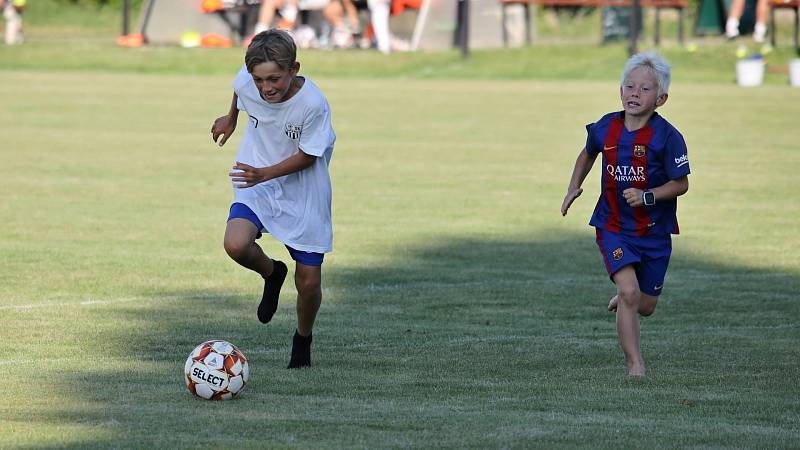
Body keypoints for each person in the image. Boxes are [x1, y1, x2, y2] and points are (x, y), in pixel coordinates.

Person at [211, 29, 336, 369]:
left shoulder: (312, 103)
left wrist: (264, 174)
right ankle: (271, 273)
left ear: (293, 69)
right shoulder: (248, 82)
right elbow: (240, 89)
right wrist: (231, 118)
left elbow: (308, 156)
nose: (266, 88)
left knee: (309, 281)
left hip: (303, 190)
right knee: (236, 244)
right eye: (259, 79)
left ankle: (303, 338)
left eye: (275, 79)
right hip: (258, 179)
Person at [561, 52, 690, 377]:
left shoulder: (668, 137)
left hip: (655, 232)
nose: (635, 93)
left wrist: (648, 195)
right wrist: (573, 187)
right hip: (613, 227)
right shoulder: (606, 127)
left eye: (645, 89)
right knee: (630, 292)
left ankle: (626, 300)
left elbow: (681, 184)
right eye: (629, 86)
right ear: (620, 90)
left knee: (644, 306)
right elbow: (587, 153)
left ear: (661, 99)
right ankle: (635, 365)